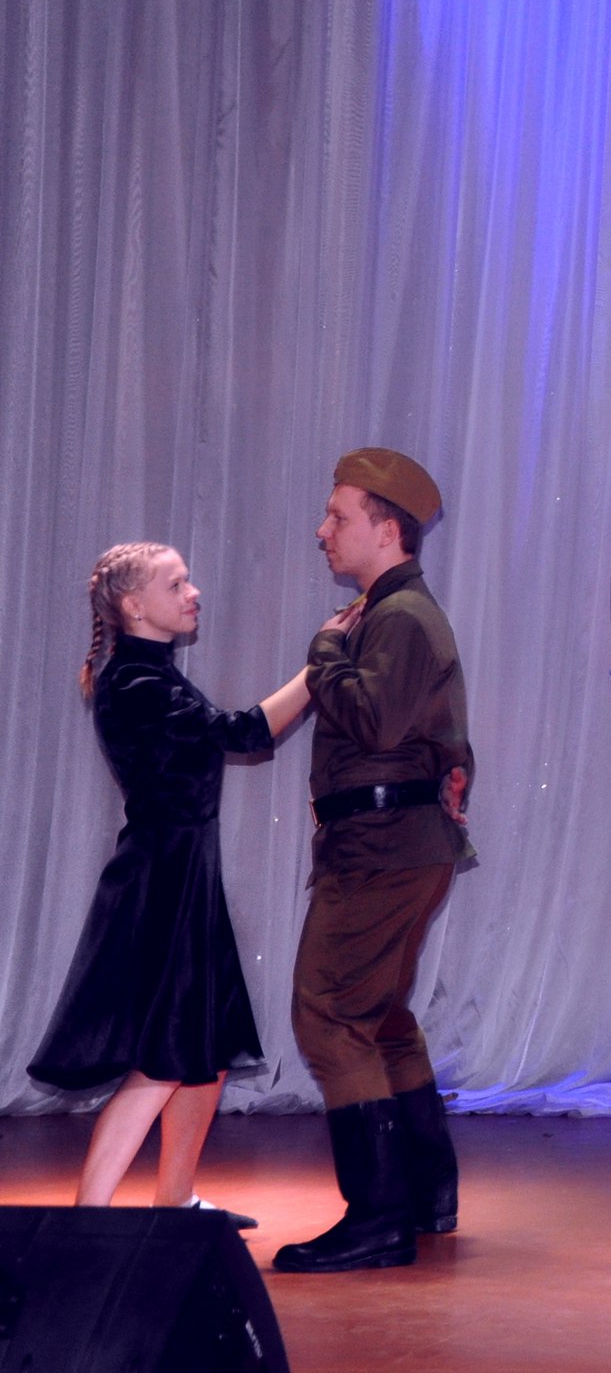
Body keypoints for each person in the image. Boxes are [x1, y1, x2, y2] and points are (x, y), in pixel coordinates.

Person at [29, 542, 312, 1226]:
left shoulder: (152, 672)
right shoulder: (136, 681)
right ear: (134, 606)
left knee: (205, 1051)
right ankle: (85, 1221)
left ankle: (176, 1199)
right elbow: (243, 733)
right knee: (162, 1061)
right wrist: (319, 669)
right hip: (162, 882)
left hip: (185, 873)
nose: (194, 593)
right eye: (177, 583)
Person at [273, 449, 475, 1274]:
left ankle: (378, 1217)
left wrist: (324, 651)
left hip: (381, 850)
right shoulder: (399, 614)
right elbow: (441, 738)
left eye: (339, 516)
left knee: (329, 1015)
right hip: (401, 845)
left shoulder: (394, 619)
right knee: (381, 1016)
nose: (323, 531)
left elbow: (377, 722)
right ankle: (425, 1193)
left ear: (387, 530)